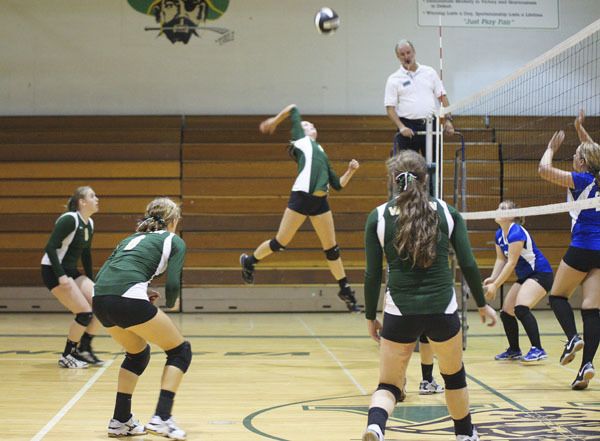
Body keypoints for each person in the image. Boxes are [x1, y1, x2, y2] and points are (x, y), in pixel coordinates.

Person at [361, 150, 496, 441]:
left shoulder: (379, 216)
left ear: (392, 180)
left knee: (389, 386)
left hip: (399, 312)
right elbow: (468, 263)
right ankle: (464, 434)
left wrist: (371, 316)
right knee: (454, 377)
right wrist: (483, 305)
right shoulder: (447, 212)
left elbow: (372, 275)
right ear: (426, 178)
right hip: (442, 311)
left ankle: (376, 427)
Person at [239, 104, 361, 311]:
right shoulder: (300, 141)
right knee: (280, 243)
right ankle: (249, 261)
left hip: (320, 202)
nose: (310, 124)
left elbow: (338, 185)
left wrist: (350, 171)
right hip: (301, 197)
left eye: (311, 124)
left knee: (332, 249)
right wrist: (275, 121)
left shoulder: (322, 152)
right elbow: (293, 109)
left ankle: (345, 289)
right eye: (306, 124)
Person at [93, 197, 190, 439]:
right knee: (180, 351)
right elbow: (173, 282)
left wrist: (143, 292)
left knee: (137, 353)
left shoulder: (128, 239)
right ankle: (162, 418)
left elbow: (113, 272)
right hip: (126, 299)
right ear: (174, 220)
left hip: (100, 300)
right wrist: (170, 302)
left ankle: (121, 419)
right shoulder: (172, 240)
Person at [538, 110, 600, 390]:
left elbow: (544, 171)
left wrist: (551, 149)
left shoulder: (582, 180)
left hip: (583, 247)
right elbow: (594, 153)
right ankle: (586, 364)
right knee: (591, 308)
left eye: (576, 155)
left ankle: (573, 338)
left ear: (583, 162)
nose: (573, 158)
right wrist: (579, 128)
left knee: (557, 296)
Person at [41, 186, 103, 368]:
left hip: (71, 271)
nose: (97, 199)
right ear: (82, 202)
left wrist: (92, 280)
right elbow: (50, 247)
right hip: (53, 270)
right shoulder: (69, 219)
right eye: (93, 196)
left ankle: (84, 348)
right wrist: (61, 276)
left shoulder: (89, 223)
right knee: (84, 313)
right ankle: (67, 355)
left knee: (101, 303)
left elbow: (86, 254)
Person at [483, 200, 553, 362]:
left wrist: (496, 285)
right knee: (507, 312)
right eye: (498, 206)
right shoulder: (499, 234)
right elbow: (501, 260)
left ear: (512, 216)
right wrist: (493, 278)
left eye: (503, 208)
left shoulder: (516, 232)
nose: (498, 210)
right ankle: (514, 350)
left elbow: (511, 262)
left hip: (540, 273)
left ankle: (538, 349)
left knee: (521, 308)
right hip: (525, 277)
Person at [384, 39, 455, 158]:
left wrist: (448, 120)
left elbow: (442, 97)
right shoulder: (394, 79)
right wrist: (401, 127)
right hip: (408, 126)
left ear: (414, 52)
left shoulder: (429, 72)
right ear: (398, 57)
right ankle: (412, 178)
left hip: (430, 124)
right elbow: (390, 108)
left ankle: (432, 178)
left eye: (408, 52)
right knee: (409, 168)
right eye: (402, 54)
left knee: (433, 164)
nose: (406, 56)